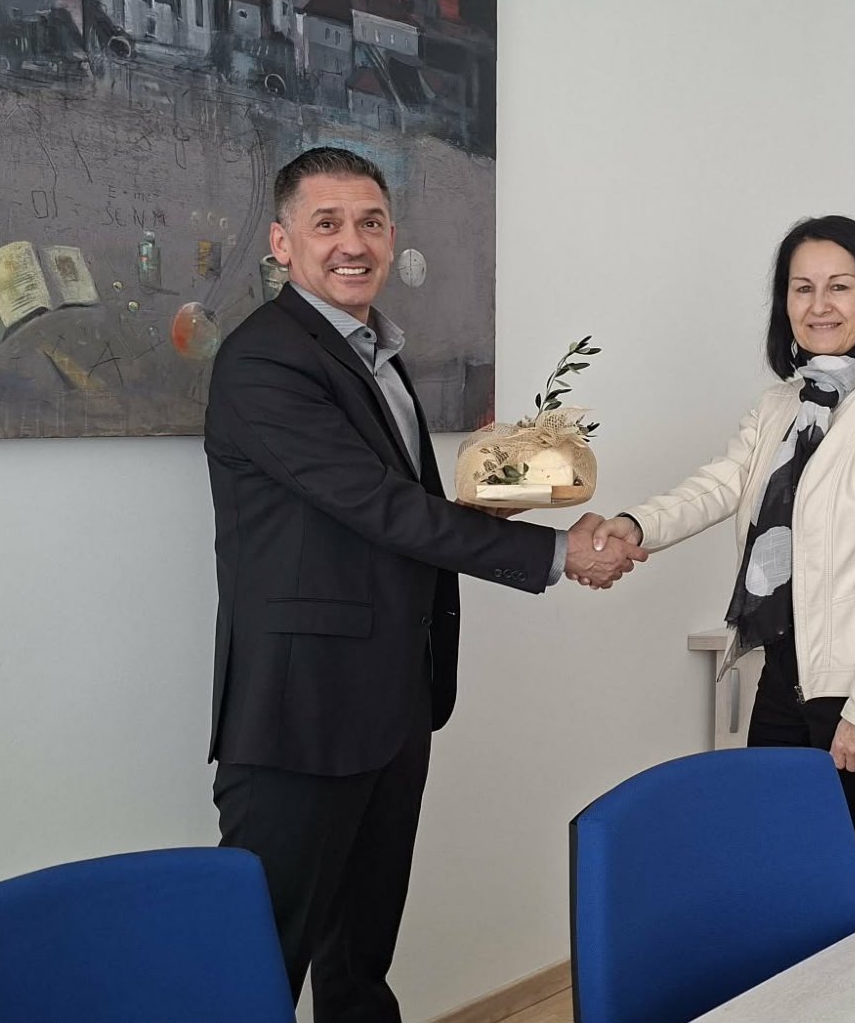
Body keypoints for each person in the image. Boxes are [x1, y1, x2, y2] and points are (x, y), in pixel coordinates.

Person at [203, 146, 645, 1020]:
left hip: (390, 702)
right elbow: (381, 508)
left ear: (392, 235)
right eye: (327, 223)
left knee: (361, 961)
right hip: (299, 715)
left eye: (370, 222)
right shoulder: (264, 360)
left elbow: (395, 509)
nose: (353, 242)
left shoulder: (376, 353)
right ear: (282, 244)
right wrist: (559, 555)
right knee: (256, 973)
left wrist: (515, 492)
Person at [589, 215, 855, 919]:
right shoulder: (782, 405)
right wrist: (636, 525)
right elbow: (723, 482)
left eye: (839, 286)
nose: (819, 305)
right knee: (783, 885)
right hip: (783, 675)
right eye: (802, 288)